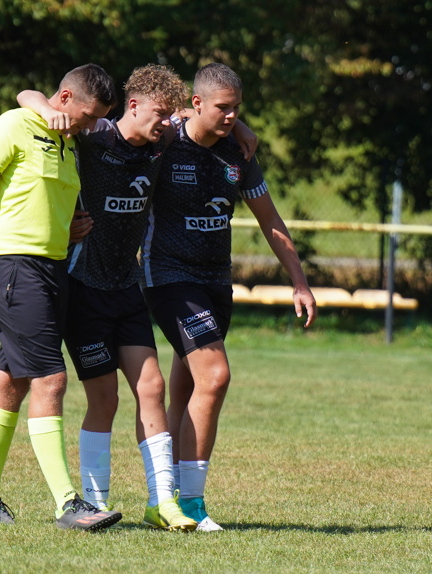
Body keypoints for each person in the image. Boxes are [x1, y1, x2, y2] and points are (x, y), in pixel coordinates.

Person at [15, 64, 257, 530]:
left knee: (152, 387)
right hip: (84, 287)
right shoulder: (96, 136)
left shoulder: (161, 142)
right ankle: (93, 503)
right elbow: (27, 92)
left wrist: (239, 123)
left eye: (170, 116)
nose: (166, 124)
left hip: (127, 287)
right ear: (132, 106)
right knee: (103, 399)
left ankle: (163, 501)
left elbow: (197, 114)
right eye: (159, 114)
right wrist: (46, 106)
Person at [0, 63, 123, 531]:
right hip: (15, 267)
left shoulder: (67, 141)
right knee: (50, 380)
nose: (90, 125)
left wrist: (71, 227)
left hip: (52, 268)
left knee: (11, 382)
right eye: (87, 115)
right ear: (63, 98)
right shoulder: (15, 124)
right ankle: (66, 504)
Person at [140, 63, 317, 532]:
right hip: (170, 278)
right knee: (215, 376)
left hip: (216, 282)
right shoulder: (164, 142)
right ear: (196, 104)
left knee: (188, 388)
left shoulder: (238, 154)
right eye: (223, 107)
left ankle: (167, 501)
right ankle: (194, 506)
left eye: (237, 108)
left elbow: (270, 220)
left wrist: (299, 282)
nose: (231, 115)